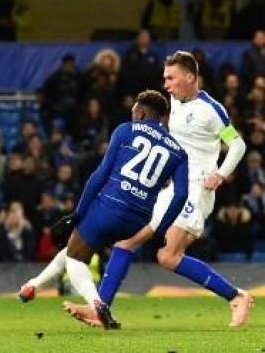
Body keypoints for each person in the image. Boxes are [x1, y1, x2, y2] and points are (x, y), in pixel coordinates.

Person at [60, 52, 253, 328]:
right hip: (168, 188)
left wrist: (220, 174)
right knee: (125, 243)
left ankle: (236, 297)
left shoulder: (211, 110)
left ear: (190, 77)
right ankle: (100, 309)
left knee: (168, 256)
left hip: (195, 189)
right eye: (164, 78)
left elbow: (237, 144)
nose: (166, 84)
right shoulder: (171, 103)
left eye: (171, 77)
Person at [20, 90, 189, 328]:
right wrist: (160, 230)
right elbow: (181, 194)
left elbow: (99, 175)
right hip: (138, 219)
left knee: (75, 259)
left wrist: (79, 213)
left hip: (110, 206)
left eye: (134, 111)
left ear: (141, 112)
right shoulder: (179, 152)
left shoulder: (125, 130)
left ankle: (97, 304)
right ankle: (32, 286)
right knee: (76, 246)